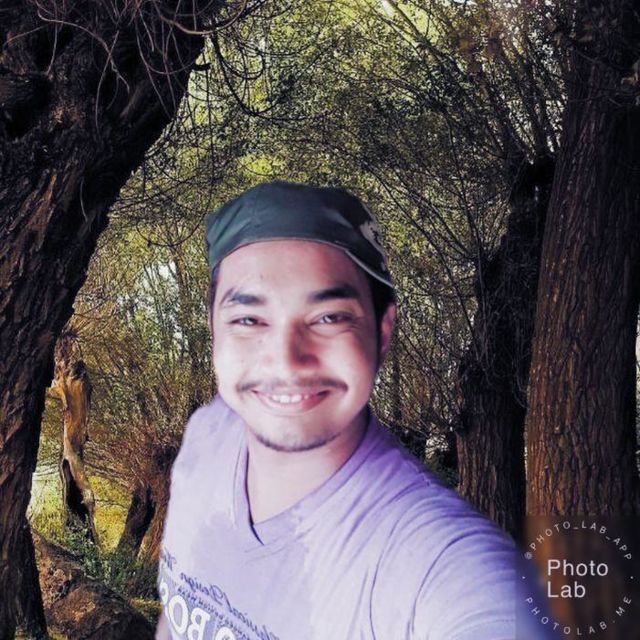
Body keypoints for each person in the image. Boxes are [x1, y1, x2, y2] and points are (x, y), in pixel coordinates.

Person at [156, 181, 548, 640]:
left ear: (382, 332)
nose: (286, 361)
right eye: (248, 319)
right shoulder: (206, 433)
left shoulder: (440, 566)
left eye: (329, 318)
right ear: (213, 329)